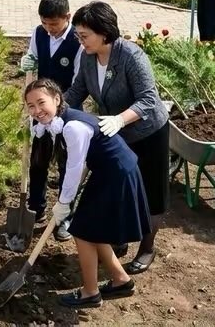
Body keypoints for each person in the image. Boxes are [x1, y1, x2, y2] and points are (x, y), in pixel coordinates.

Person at [24, 79, 150, 309]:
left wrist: (64, 203)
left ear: (57, 99)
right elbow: (81, 163)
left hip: (116, 175)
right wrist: (68, 198)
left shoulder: (73, 127)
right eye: (30, 106)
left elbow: (73, 169)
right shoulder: (63, 120)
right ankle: (121, 280)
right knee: (92, 230)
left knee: (82, 231)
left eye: (41, 102)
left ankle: (90, 293)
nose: (36, 110)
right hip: (109, 171)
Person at [64, 1, 168, 275]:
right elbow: (77, 92)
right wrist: (52, 111)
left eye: (84, 35)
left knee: (150, 191)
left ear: (104, 32)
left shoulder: (131, 56)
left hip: (148, 132)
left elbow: (148, 99)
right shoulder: (88, 57)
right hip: (117, 133)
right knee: (121, 188)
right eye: (78, 35)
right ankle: (119, 239)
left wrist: (120, 119)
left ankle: (147, 247)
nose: (80, 40)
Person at [18, 0, 83, 240]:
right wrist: (28, 62)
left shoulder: (78, 41)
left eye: (54, 24)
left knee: (68, 165)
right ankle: (36, 207)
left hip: (68, 110)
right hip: (41, 110)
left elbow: (79, 81)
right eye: (45, 23)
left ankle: (65, 217)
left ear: (67, 17)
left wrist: (60, 111)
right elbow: (33, 61)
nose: (49, 29)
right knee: (38, 161)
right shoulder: (39, 33)